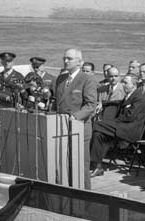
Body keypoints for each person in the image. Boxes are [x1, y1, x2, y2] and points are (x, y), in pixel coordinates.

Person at [55, 48, 97, 190]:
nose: (65, 61)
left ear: (79, 62)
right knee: (64, 162)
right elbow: (57, 103)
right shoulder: (60, 79)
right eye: (64, 58)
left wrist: (75, 116)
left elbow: (91, 105)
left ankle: (86, 195)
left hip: (79, 128)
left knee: (81, 164)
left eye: (69, 58)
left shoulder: (87, 80)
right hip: (60, 127)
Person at [90, 75, 145, 177]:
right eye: (123, 82)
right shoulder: (129, 95)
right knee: (98, 134)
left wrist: (113, 121)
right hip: (121, 127)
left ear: (133, 85)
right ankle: (97, 166)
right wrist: (103, 103)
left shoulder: (139, 97)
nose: (123, 85)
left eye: (125, 83)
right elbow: (117, 102)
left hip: (129, 130)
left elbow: (129, 117)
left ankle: (85, 151)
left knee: (97, 125)